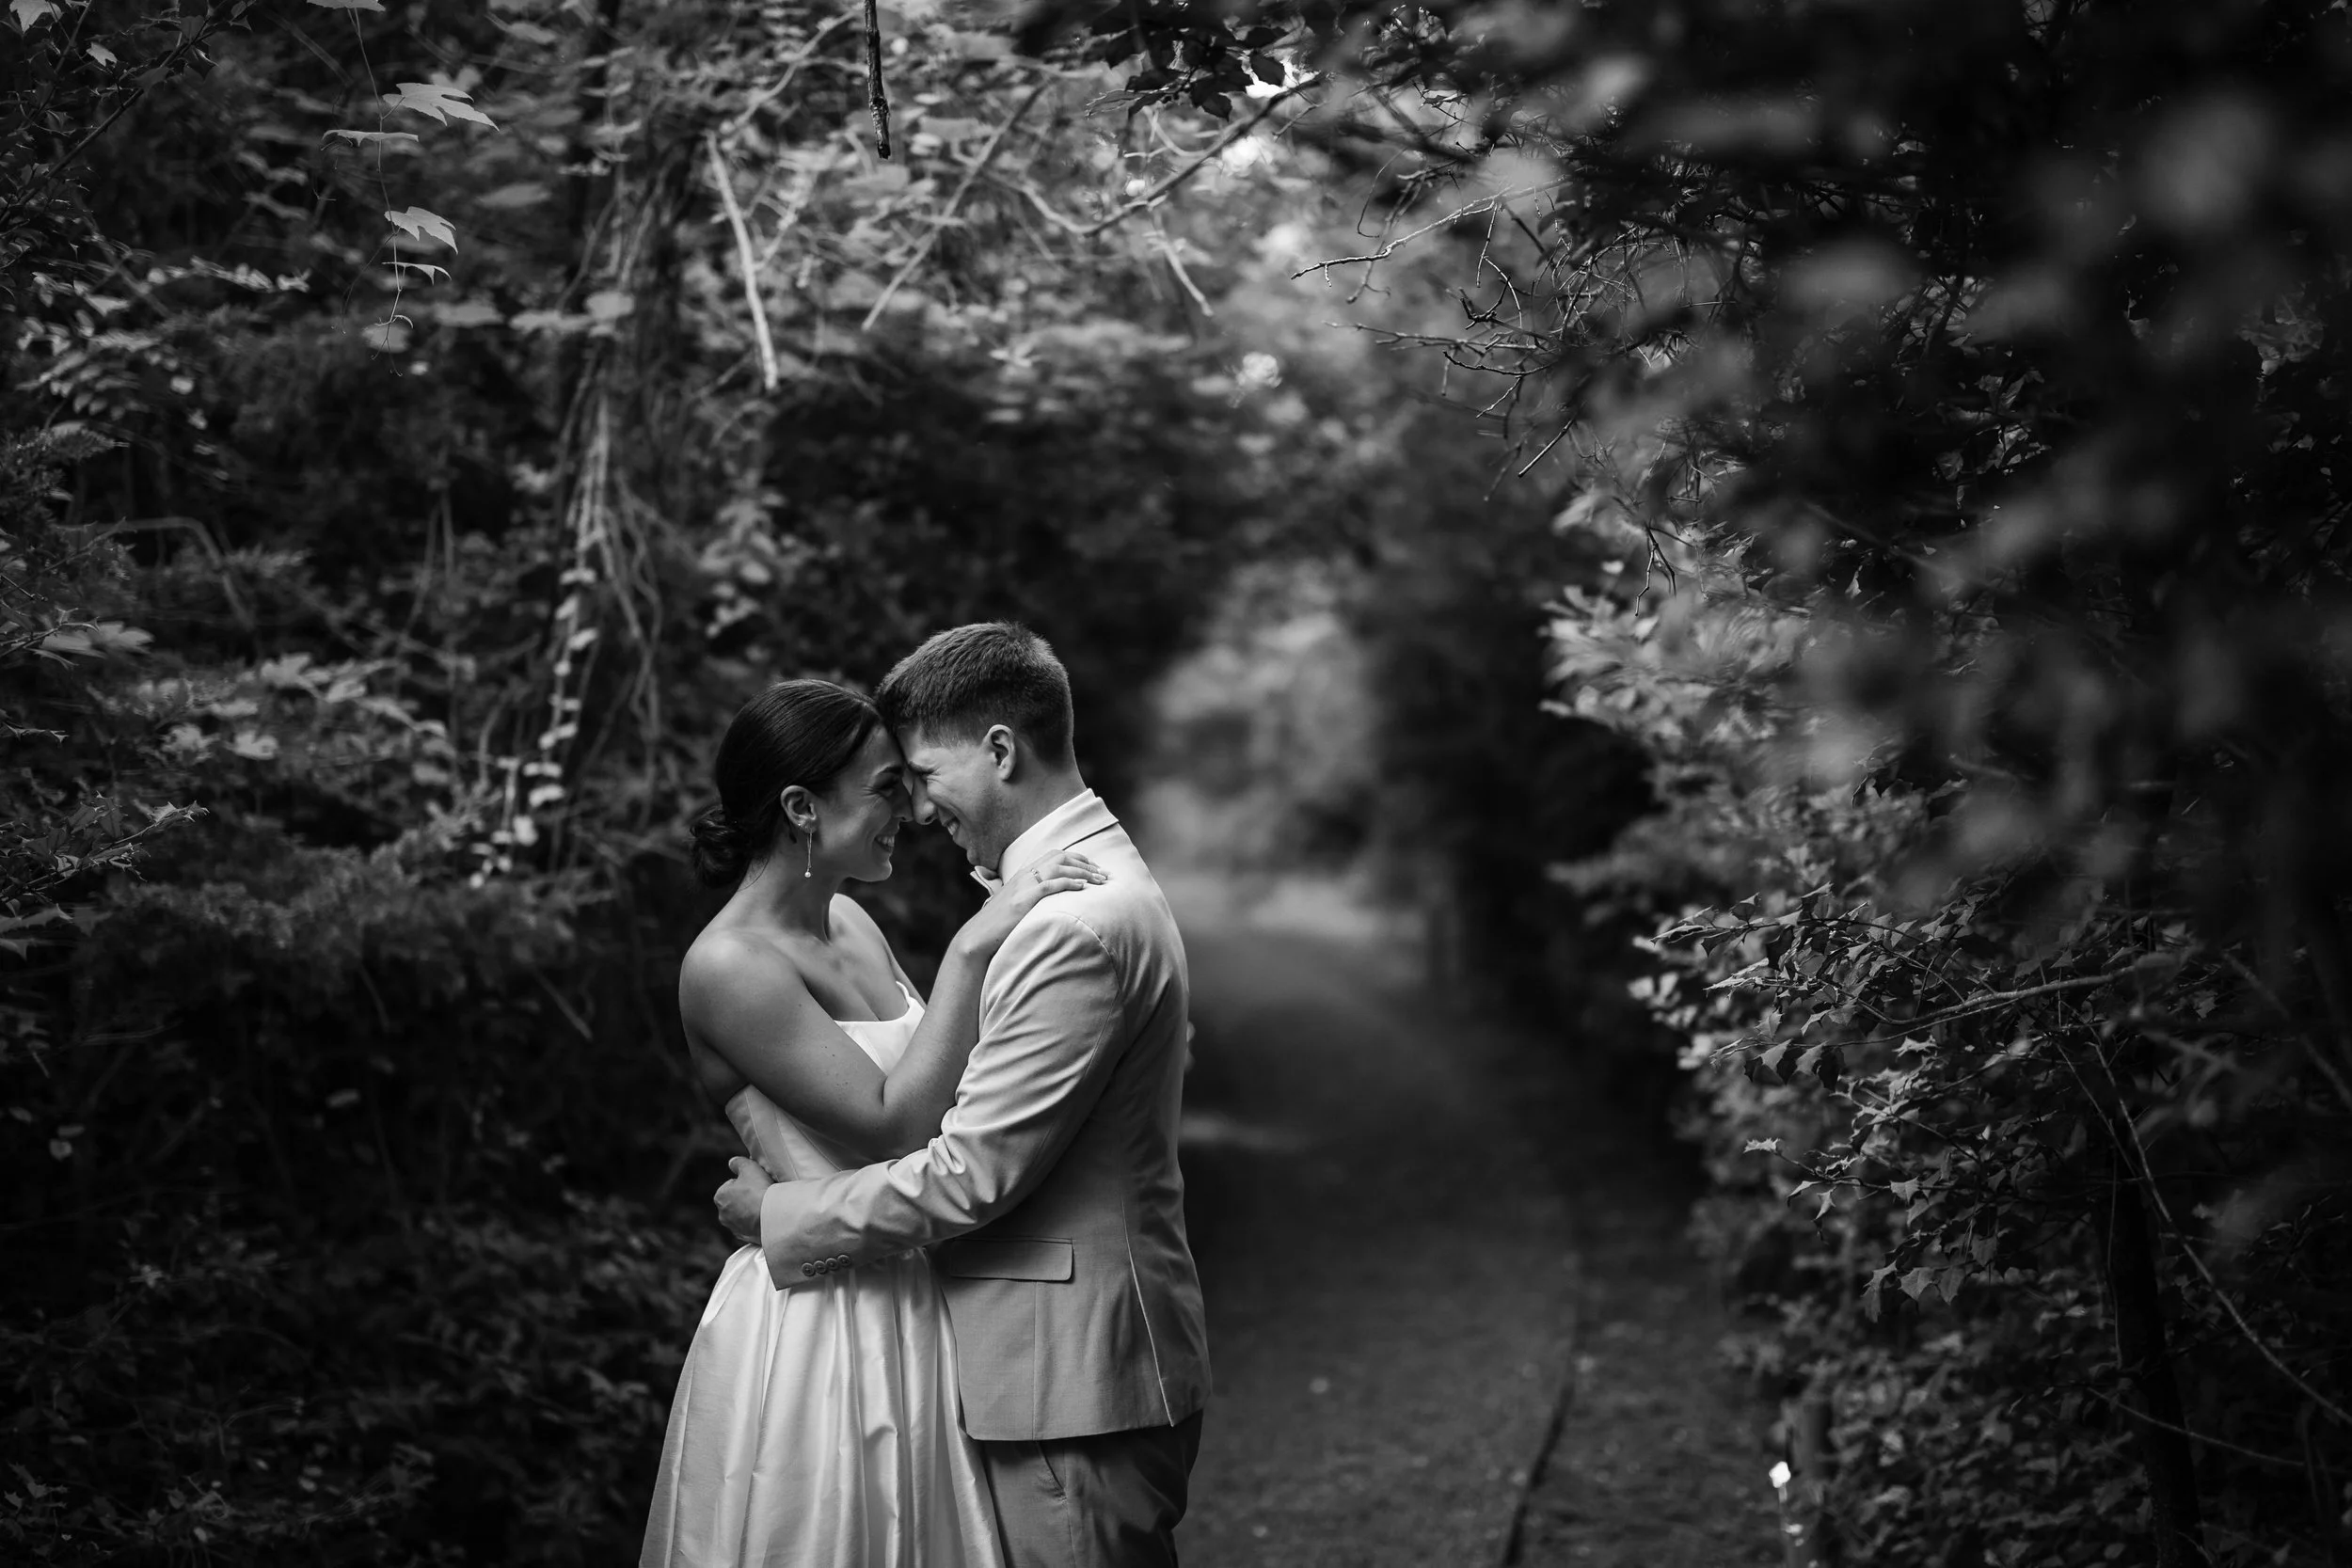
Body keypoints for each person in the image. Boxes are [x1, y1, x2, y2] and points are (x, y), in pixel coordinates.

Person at [713, 624, 1212, 1568]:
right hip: (1012, 1360)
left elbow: (968, 1174)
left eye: (923, 774)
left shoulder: (1065, 923)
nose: (916, 803)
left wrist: (779, 1212)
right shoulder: (1090, 883)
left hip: (1069, 1377)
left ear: (998, 750)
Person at [641, 676, 1107, 1568]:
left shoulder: (850, 920)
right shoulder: (729, 964)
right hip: (818, 1322)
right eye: (887, 787)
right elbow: (896, 1124)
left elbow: (961, 1094)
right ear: (800, 808)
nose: (914, 807)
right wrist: (978, 942)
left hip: (920, 1287)